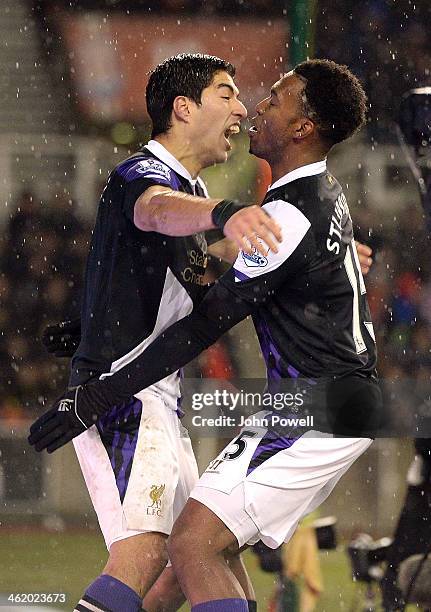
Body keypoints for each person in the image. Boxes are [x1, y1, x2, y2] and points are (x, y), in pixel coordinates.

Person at [30, 59, 378, 611]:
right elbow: (153, 213)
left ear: (301, 127)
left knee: (190, 550)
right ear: (184, 108)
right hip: (156, 394)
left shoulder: (278, 210)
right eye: (229, 95)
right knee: (178, 557)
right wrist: (225, 215)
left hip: (308, 406)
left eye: (270, 98)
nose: (249, 107)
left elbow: (204, 309)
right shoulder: (154, 177)